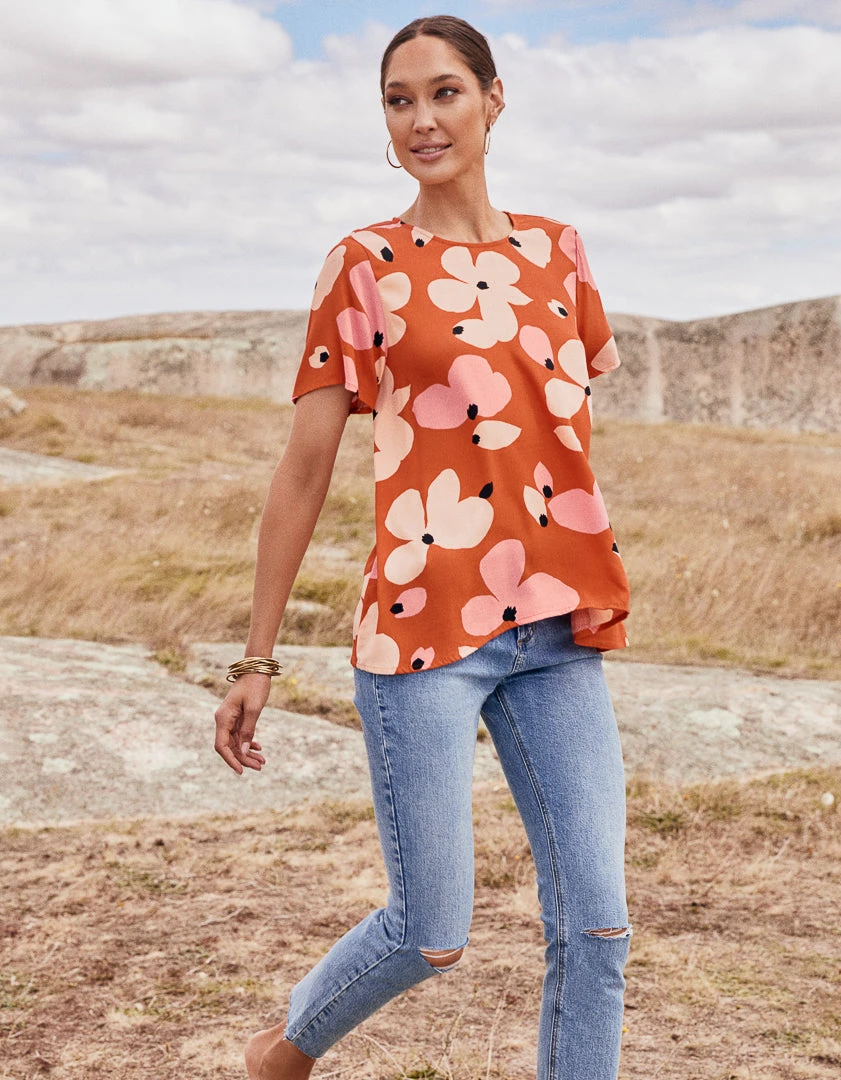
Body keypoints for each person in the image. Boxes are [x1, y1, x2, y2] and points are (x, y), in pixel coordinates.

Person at [214, 14, 633, 1080]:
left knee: (597, 928)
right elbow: (302, 471)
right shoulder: (365, 264)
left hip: (556, 629)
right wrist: (259, 656)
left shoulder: (559, 252)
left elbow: (558, 428)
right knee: (430, 932)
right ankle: (285, 1051)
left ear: (494, 99)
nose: (422, 120)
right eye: (399, 101)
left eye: (445, 92)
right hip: (422, 631)